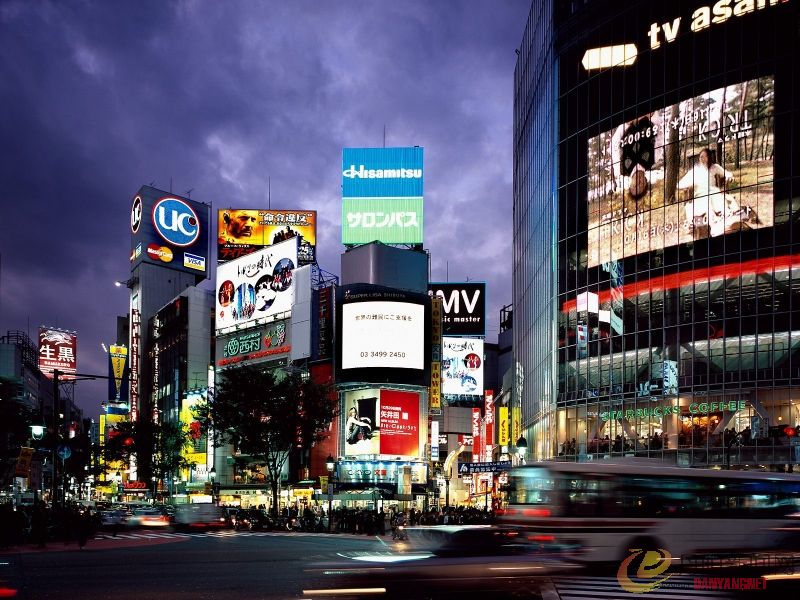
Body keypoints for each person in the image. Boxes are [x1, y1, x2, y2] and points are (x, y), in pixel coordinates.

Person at [678, 148, 740, 237]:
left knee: (721, 201)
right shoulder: (695, 170)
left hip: (713, 191)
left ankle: (728, 223)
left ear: (709, 157)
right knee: (707, 203)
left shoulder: (714, 167)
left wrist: (729, 176)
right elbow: (681, 183)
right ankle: (714, 225)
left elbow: (726, 173)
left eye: (705, 156)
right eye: (701, 157)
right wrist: (687, 186)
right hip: (700, 194)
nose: (702, 159)